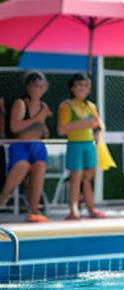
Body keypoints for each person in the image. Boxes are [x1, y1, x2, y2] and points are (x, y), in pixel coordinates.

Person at [0, 70, 52, 222]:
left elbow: (41, 127)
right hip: (21, 145)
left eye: (41, 86)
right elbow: (15, 127)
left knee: (39, 167)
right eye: (35, 85)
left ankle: (34, 210)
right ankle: (3, 198)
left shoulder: (43, 106)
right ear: (27, 87)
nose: (38, 89)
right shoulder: (21, 103)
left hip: (37, 145)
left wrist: (44, 127)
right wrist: (38, 118)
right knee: (22, 165)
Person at [57, 72, 105, 220]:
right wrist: (84, 124)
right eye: (79, 85)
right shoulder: (66, 106)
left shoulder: (91, 106)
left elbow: (99, 125)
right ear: (72, 88)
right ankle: (73, 209)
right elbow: (61, 129)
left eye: (86, 85)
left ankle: (90, 207)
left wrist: (98, 133)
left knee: (88, 177)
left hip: (89, 144)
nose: (83, 88)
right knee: (76, 176)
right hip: (75, 144)